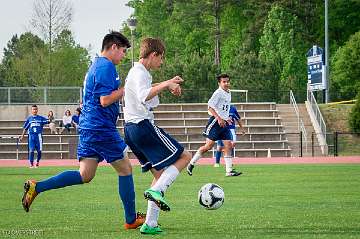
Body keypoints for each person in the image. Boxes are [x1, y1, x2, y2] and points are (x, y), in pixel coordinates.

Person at [21, 31, 145, 230]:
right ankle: (131, 220)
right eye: (122, 51)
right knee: (126, 169)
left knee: (85, 174)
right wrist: (127, 88)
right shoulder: (106, 66)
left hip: (89, 127)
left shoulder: (95, 65)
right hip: (100, 128)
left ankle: (38, 186)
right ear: (113, 47)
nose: (123, 56)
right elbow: (105, 100)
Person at [123, 37, 191, 235]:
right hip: (141, 126)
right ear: (153, 55)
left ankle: (150, 223)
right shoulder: (139, 72)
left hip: (131, 130)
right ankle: (157, 191)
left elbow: (147, 95)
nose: (161, 62)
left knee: (160, 175)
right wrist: (167, 83)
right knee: (185, 156)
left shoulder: (138, 73)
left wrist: (167, 84)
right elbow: (145, 95)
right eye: (161, 58)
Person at [186, 74, 242, 177]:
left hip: (224, 123)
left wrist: (227, 118)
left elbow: (224, 108)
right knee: (208, 146)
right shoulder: (218, 93)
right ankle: (191, 163)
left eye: (227, 81)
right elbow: (210, 107)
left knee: (228, 145)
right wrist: (219, 118)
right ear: (219, 83)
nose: (226, 83)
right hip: (215, 123)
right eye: (224, 82)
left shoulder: (228, 93)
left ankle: (229, 171)